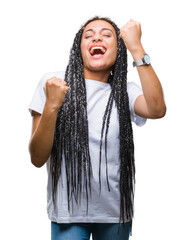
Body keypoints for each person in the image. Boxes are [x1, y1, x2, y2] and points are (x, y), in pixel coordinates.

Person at [29, 16, 166, 240]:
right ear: (79, 47)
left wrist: (137, 48)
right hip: (69, 215)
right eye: (89, 35)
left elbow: (157, 109)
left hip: (115, 215)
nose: (97, 38)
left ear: (117, 50)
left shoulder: (125, 91)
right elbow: (37, 157)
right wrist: (52, 106)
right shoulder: (53, 83)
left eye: (106, 34)